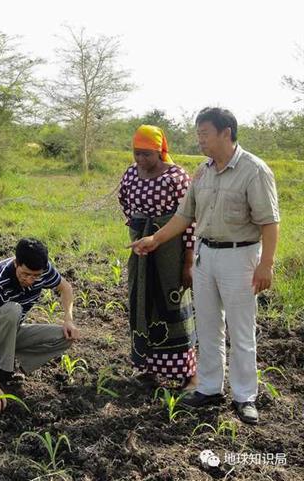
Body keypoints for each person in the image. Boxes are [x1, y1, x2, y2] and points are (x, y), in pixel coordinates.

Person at [133, 108, 280, 424]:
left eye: (205, 134)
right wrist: (155, 240)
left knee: (240, 330)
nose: (200, 140)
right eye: (198, 134)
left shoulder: (254, 171)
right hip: (205, 255)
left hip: (240, 257)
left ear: (226, 133)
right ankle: (210, 388)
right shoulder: (203, 172)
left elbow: (269, 223)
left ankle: (244, 396)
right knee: (208, 327)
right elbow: (185, 216)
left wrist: (266, 264)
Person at [118, 124, 197, 390]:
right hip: (141, 248)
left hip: (169, 251)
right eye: (137, 153)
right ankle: (146, 368)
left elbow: (190, 220)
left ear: (160, 151)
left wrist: (188, 261)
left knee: (172, 303)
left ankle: (187, 373)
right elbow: (124, 201)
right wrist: (138, 227)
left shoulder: (176, 177)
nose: (141, 160)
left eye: (147, 154)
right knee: (142, 301)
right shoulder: (130, 173)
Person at [0, 238, 80, 412]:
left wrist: (68, 319)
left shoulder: (44, 271)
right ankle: (0, 374)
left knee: (65, 337)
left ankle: (15, 369)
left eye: (36, 276)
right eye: (25, 274)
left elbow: (66, 288)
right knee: (12, 310)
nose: (31, 280)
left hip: (10, 331)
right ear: (16, 263)